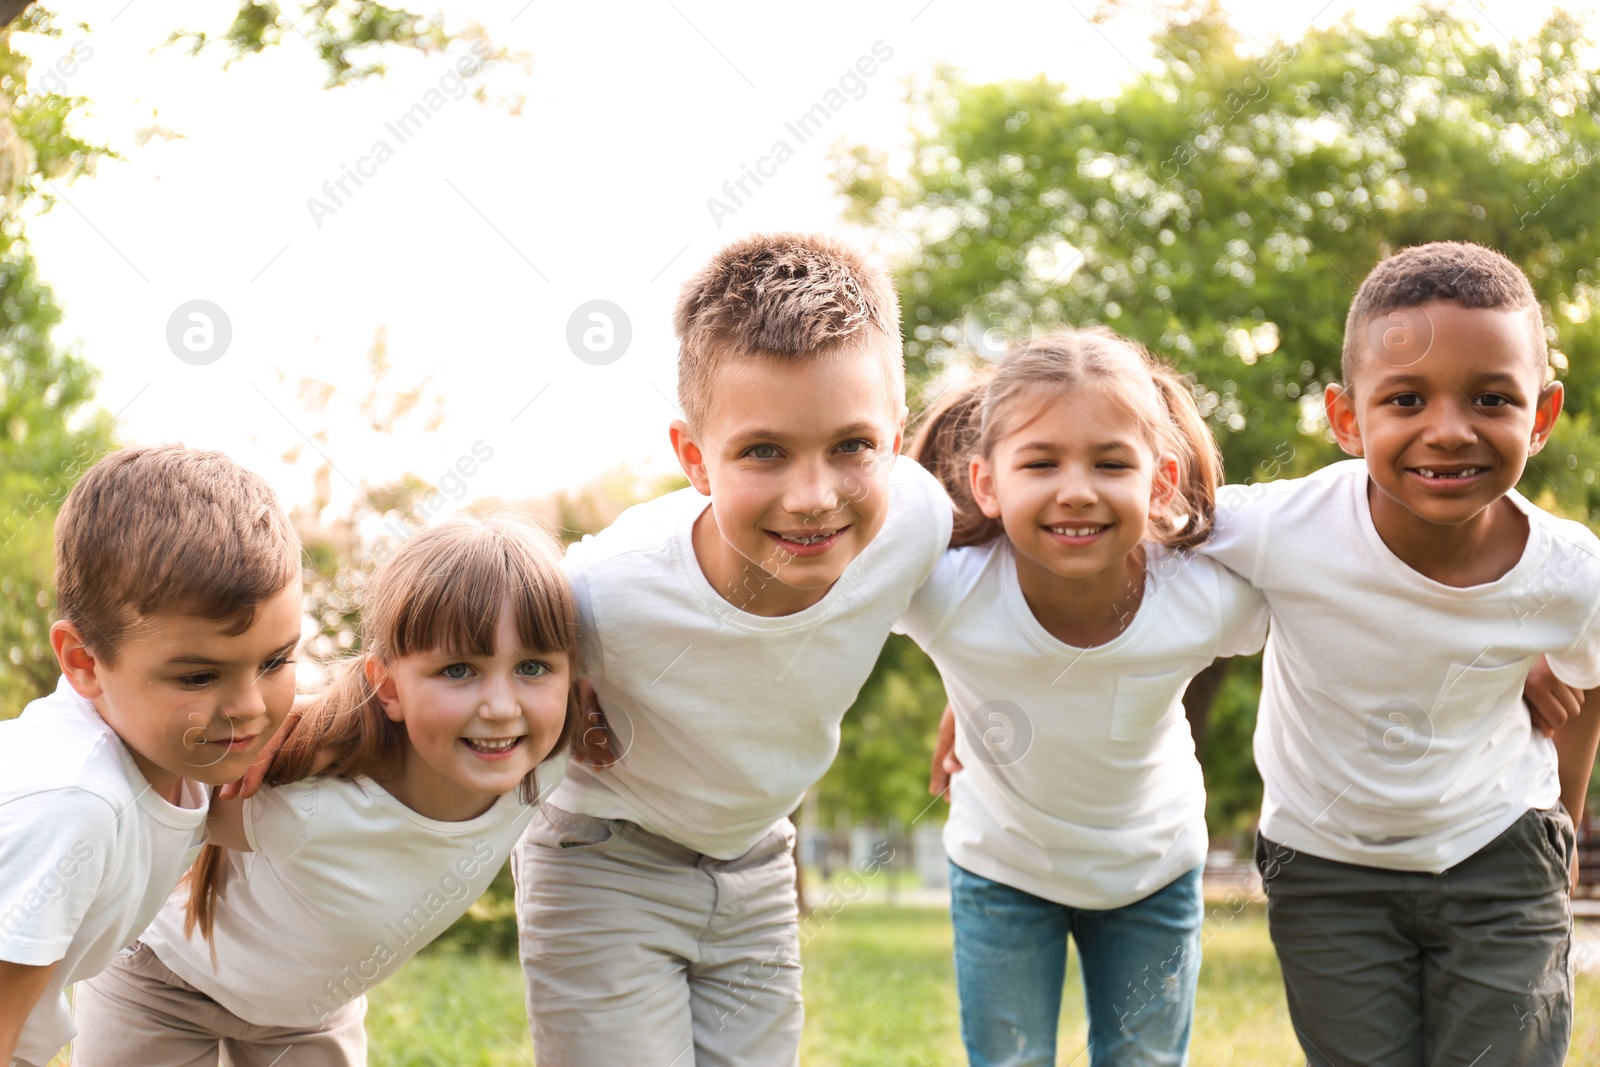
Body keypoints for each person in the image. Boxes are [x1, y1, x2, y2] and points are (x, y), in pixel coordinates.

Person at [515, 232, 953, 1066]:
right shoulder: (605, 592)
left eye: (853, 446)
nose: (814, 496)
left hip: (757, 864)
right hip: (605, 860)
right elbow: (482, 654)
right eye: (763, 451)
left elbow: (975, 599)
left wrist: (975, 693)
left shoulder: (918, 521)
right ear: (694, 458)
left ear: (896, 435)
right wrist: (552, 686)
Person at [1201, 240, 1600, 1066]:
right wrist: (986, 678)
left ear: (1542, 414)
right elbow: (1120, 555)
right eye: (1407, 399)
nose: (1448, 431)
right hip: (1326, 866)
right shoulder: (1276, 528)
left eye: (1492, 398)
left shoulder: (1569, 570)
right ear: (1347, 418)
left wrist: (1560, 816)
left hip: (1498, 849)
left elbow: (1591, 677)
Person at [71, 516, 579, 1067]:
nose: (502, 708)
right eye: (458, 670)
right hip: (164, 980)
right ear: (387, 687)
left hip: (308, 1014)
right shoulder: (309, 804)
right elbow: (144, 802)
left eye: (532, 667)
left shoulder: (547, 761)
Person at [903, 330, 1267, 1066]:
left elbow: (1344, 607)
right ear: (987, 482)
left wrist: (1501, 650)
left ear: (1160, 481)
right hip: (1002, 868)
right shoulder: (946, 590)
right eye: (1041, 462)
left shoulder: (1201, 596)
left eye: (1110, 463)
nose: (1077, 488)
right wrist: (964, 696)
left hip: (1151, 870)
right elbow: (811, 602)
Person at [0, 445, 303, 1067]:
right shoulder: (75, 805)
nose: (248, 707)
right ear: (84, 661)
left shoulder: (164, 746)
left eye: (275, 661)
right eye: (198, 677)